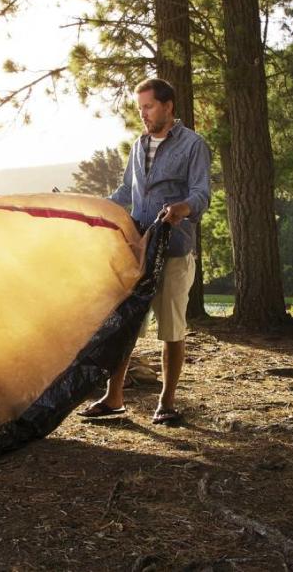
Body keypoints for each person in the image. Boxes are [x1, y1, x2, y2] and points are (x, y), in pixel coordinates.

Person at [80, 77, 211, 425]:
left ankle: (166, 403)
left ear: (168, 106)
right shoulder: (138, 146)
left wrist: (182, 208)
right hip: (137, 251)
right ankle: (114, 398)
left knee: (171, 329)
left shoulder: (193, 145)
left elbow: (202, 194)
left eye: (149, 107)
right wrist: (94, 211)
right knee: (124, 326)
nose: (144, 114)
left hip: (175, 249)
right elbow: (126, 192)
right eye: (140, 108)